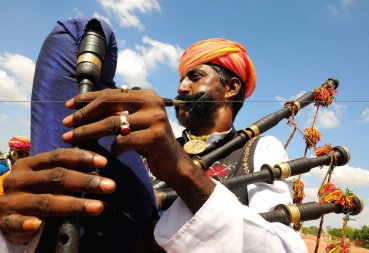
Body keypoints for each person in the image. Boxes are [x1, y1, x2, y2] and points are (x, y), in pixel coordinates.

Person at [0, 21, 306, 253]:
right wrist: (18, 229)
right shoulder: (155, 144)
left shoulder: (260, 148)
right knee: (82, 33)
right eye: (182, 78)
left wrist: (181, 170)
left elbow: (281, 247)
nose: (182, 88)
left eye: (195, 77)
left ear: (231, 88)